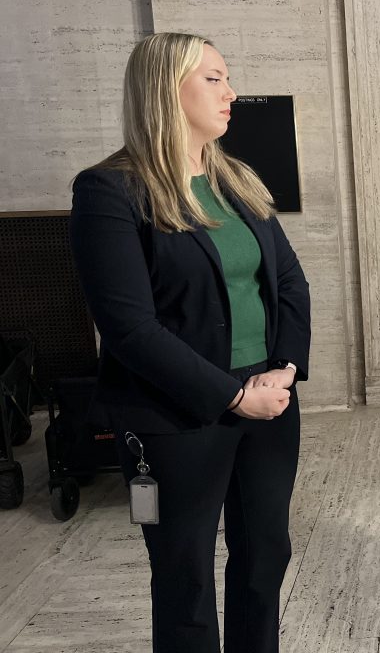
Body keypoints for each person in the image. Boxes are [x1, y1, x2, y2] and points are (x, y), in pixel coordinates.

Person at [69, 32, 311, 653]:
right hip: (172, 415)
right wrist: (233, 397)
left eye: (228, 79)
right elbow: (127, 328)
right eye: (214, 79)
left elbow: (287, 282)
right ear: (165, 89)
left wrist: (283, 370)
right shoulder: (109, 191)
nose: (231, 93)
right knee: (184, 574)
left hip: (269, 398)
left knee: (265, 557)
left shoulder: (237, 181)